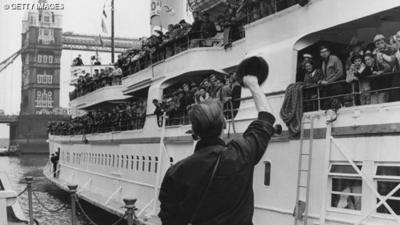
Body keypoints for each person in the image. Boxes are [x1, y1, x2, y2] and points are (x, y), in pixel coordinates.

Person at [158, 75, 276, 225]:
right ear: (224, 124)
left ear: (194, 131)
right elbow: (266, 118)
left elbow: (169, 220)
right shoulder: (241, 154)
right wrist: (253, 85)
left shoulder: (176, 172)